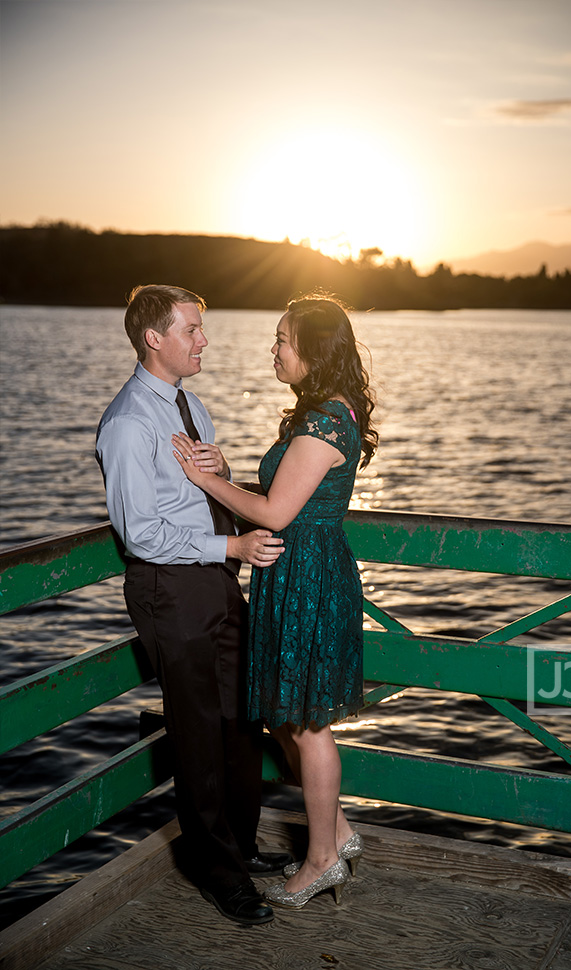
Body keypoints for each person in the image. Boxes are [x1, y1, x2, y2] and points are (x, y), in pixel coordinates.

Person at [172, 293, 378, 910]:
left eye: (283, 339)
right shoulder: (319, 414)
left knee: (308, 724)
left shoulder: (323, 422)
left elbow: (276, 511)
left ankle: (320, 861)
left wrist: (208, 480)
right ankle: (337, 835)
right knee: (290, 718)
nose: (274, 349)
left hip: (309, 579)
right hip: (297, 573)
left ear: (313, 349)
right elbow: (286, 491)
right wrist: (233, 471)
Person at [95, 284, 291, 927]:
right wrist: (233, 541)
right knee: (199, 733)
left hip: (214, 578)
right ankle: (218, 873)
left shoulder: (193, 408)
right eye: (192, 330)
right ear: (155, 338)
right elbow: (140, 533)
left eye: (201, 329)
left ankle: (239, 845)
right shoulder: (128, 422)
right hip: (167, 588)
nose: (204, 339)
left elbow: (201, 493)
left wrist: (224, 470)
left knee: (241, 717)